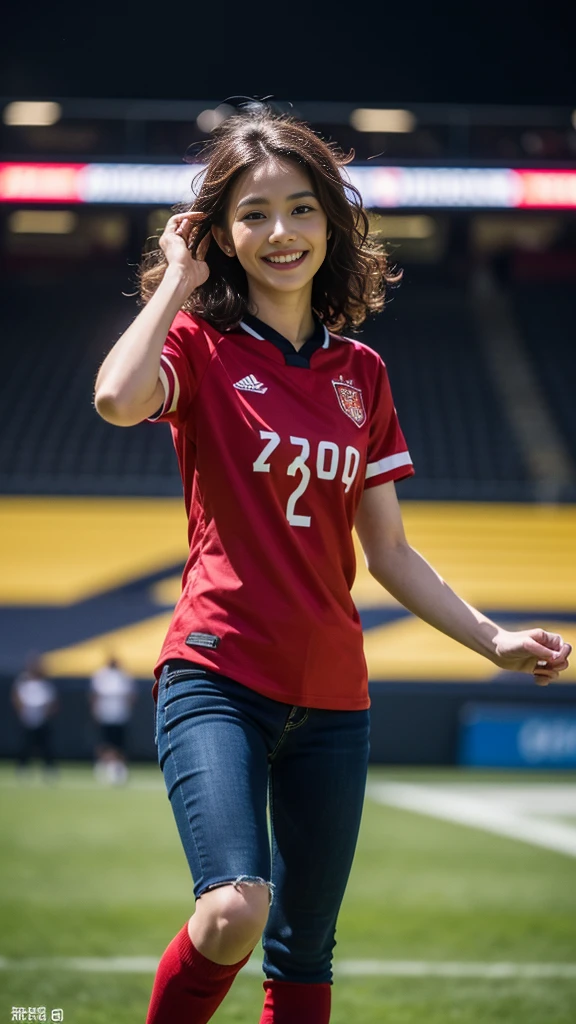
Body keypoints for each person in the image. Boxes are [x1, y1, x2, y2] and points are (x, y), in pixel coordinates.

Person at [94, 104, 571, 1024]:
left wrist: (493, 639)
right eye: (254, 213)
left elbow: (388, 548)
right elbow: (116, 398)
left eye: (303, 208)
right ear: (223, 235)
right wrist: (175, 283)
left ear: (332, 223)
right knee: (233, 908)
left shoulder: (365, 374)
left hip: (334, 698)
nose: (282, 231)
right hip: (218, 675)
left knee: (304, 959)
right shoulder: (199, 346)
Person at [89, 655, 136, 784]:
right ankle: (103, 766)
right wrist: (95, 711)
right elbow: (95, 695)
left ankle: (119, 768)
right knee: (105, 742)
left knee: (119, 743)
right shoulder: (101, 675)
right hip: (105, 714)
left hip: (120, 715)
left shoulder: (124, 676)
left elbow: (130, 695)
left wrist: (128, 710)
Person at [11, 654, 58, 781]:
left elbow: (51, 701)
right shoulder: (23, 681)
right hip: (27, 718)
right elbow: (17, 697)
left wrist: (46, 713)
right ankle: (22, 768)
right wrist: (22, 711)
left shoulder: (45, 684)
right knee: (25, 745)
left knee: (46, 746)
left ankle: (49, 769)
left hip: (42, 718)